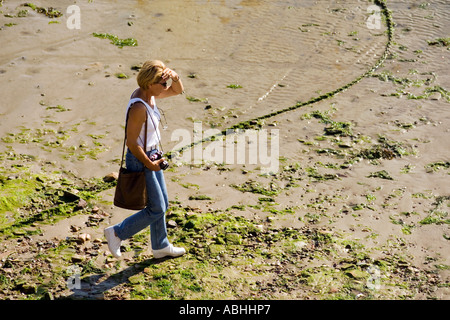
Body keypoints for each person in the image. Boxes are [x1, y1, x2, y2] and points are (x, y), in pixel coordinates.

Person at [104, 60, 185, 259]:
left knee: (162, 204)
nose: (166, 87)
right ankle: (117, 232)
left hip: (152, 154)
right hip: (141, 159)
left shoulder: (150, 95)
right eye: (162, 83)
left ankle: (160, 246)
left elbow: (177, 91)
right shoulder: (139, 107)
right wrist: (149, 164)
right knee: (156, 207)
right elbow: (131, 142)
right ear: (149, 84)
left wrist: (174, 77)